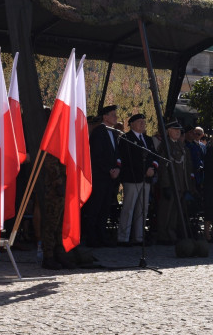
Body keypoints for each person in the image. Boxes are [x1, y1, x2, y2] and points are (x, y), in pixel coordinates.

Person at [82, 105, 121, 247]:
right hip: (100, 177)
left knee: (105, 208)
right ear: (105, 117)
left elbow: (117, 154)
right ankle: (92, 238)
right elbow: (96, 156)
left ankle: (102, 235)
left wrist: (117, 168)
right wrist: (109, 170)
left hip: (110, 177)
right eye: (113, 114)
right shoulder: (99, 132)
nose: (116, 117)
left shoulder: (114, 133)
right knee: (95, 208)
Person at [117, 114, 158, 245]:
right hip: (132, 178)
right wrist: (145, 169)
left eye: (143, 122)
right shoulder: (126, 138)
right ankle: (123, 237)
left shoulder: (148, 139)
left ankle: (139, 237)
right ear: (132, 124)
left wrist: (153, 169)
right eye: (140, 122)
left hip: (146, 179)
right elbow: (128, 159)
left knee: (142, 209)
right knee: (128, 209)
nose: (142, 124)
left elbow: (154, 156)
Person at [154, 120, 193, 244]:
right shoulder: (165, 146)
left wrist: (187, 185)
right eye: (175, 130)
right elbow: (163, 168)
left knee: (175, 212)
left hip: (180, 184)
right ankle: (163, 235)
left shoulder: (180, 145)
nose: (178, 132)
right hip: (170, 184)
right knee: (166, 211)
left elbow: (185, 167)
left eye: (179, 130)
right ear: (168, 131)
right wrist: (165, 185)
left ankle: (171, 234)